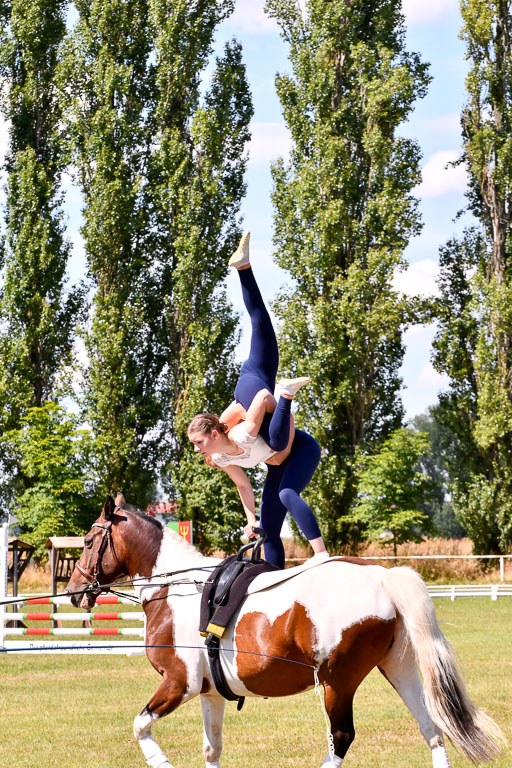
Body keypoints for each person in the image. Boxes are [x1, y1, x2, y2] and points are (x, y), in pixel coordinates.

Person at [187, 232, 328, 568]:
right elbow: (243, 486)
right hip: (255, 405)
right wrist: (249, 519)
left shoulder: (240, 433)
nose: (196, 450)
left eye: (198, 441)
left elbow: (258, 401)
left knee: (281, 465)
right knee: (267, 528)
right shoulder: (218, 458)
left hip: (257, 387)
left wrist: (282, 403)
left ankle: (321, 555)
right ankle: (273, 578)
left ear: (215, 434)